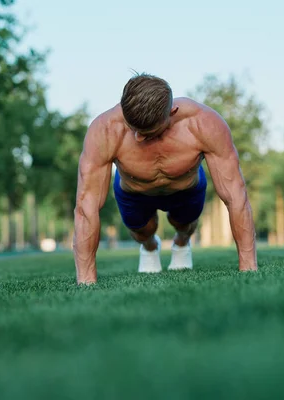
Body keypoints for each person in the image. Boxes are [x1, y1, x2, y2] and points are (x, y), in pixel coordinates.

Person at [73, 73, 257, 284]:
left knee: (184, 224)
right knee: (143, 232)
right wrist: (86, 281)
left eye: (148, 133)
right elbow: (85, 207)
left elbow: (236, 195)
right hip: (134, 193)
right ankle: (150, 246)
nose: (138, 138)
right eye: (135, 130)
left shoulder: (203, 124)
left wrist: (248, 268)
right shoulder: (105, 130)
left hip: (186, 189)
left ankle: (181, 242)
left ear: (172, 112)